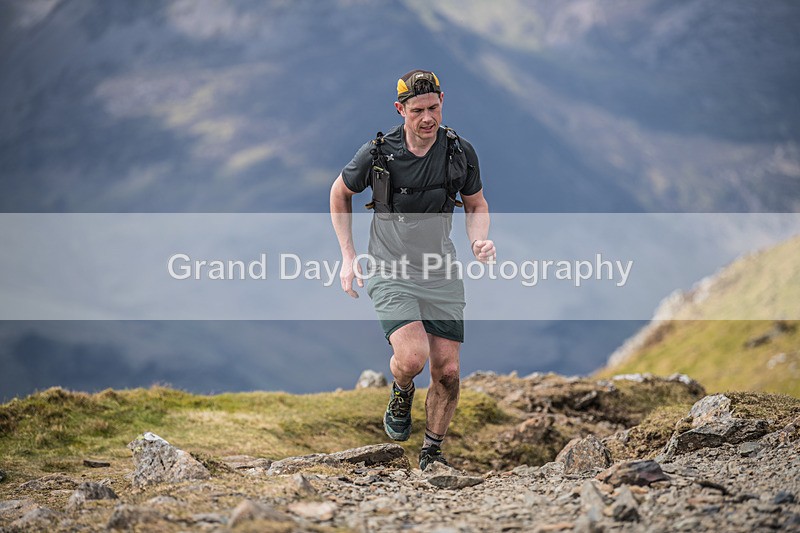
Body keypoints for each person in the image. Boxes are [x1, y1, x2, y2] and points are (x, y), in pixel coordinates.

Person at [330, 69, 495, 471]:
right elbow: (339, 193)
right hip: (390, 269)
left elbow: (476, 205)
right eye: (417, 110)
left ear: (443, 102)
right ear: (399, 109)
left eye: (434, 108)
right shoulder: (378, 153)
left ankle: (431, 454)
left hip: (440, 269)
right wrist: (348, 256)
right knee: (412, 358)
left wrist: (478, 240)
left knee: (449, 371)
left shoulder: (459, 152)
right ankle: (401, 390)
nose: (427, 118)